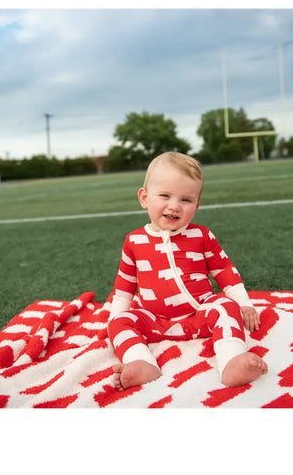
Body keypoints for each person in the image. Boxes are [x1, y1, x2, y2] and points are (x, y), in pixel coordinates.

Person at [107, 151, 268, 390]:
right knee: (118, 322)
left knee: (226, 307)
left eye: (185, 200)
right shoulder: (134, 241)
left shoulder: (201, 235)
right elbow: (124, 284)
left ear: (196, 205)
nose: (174, 206)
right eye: (164, 195)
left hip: (200, 315)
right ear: (144, 197)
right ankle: (140, 362)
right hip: (155, 321)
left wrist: (244, 303)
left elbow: (224, 269)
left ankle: (232, 359)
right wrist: (114, 320)